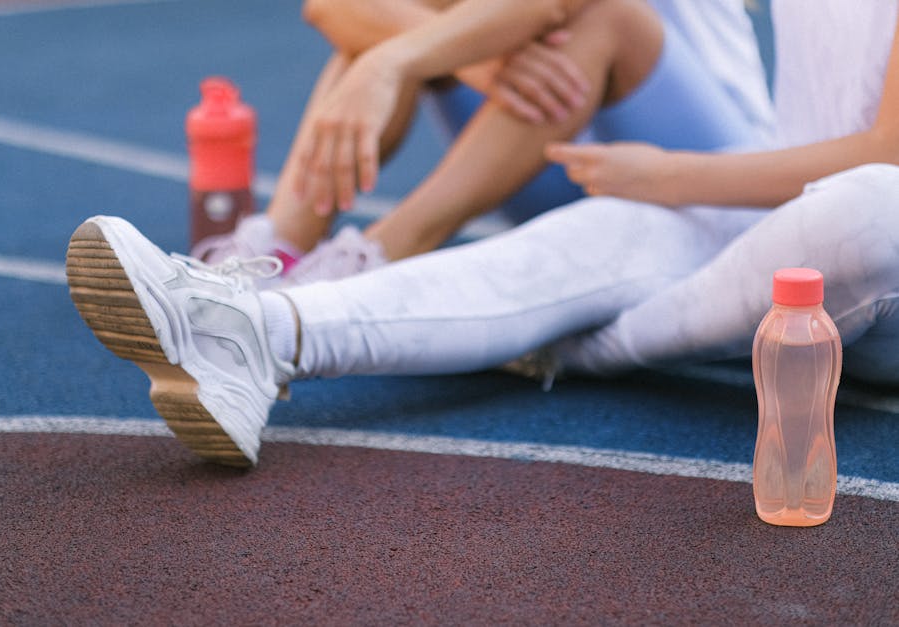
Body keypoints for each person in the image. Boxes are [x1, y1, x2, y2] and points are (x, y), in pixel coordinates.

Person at [65, 0, 899, 468]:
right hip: (675, 188)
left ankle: (371, 277)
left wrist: (668, 174)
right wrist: (444, 56)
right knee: (557, 241)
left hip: (767, 197)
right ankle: (264, 315)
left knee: (869, 206)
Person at [191, 0, 773, 284]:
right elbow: (334, 4)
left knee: (609, 16)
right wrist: (475, 63)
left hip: (704, 173)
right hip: (551, 144)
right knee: (371, 40)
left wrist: (401, 57)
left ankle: (367, 263)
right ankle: (268, 258)